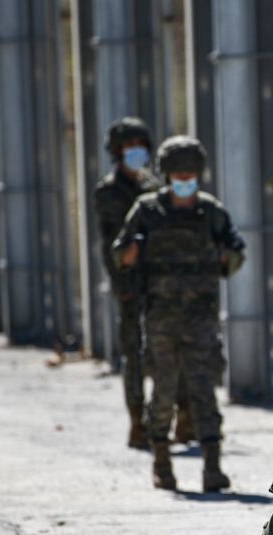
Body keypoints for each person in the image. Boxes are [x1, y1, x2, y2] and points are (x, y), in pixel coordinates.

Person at [113, 135, 245, 491]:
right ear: (166, 174)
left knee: (204, 390)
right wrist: (134, 252)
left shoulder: (210, 211)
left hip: (200, 316)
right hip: (161, 316)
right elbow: (120, 254)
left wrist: (222, 257)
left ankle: (212, 467)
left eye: (190, 173)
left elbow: (235, 253)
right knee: (164, 391)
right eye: (178, 173)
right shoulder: (147, 211)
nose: (185, 179)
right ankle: (161, 462)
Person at [93, 117, 194, 449]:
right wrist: (122, 282)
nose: (135, 151)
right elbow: (112, 244)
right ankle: (138, 420)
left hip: (164, 282)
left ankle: (182, 414)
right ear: (116, 152)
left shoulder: (154, 186)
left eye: (140, 145)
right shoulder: (110, 192)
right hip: (132, 283)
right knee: (135, 352)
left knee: (173, 348)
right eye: (128, 146)